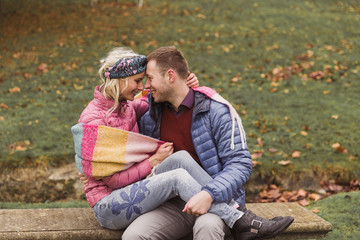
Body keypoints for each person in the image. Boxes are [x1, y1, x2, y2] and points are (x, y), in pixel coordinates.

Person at [73, 47, 291, 237]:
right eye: (140, 81)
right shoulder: (140, 112)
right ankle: (241, 220)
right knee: (136, 233)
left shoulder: (213, 110)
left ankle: (239, 218)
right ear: (120, 80)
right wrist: (152, 161)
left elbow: (240, 163)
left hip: (212, 196)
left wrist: (209, 193)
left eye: (147, 79)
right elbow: (108, 176)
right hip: (131, 200)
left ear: (170, 76)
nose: (145, 87)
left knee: (182, 167)